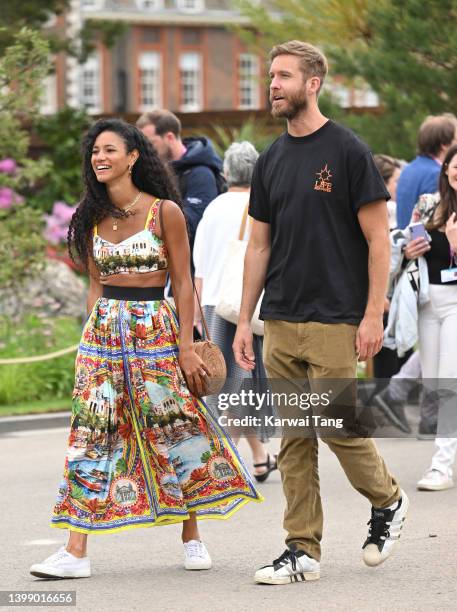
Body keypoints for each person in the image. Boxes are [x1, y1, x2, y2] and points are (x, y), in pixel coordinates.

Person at [29, 119, 262, 580]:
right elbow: (96, 285)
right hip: (103, 336)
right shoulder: (90, 215)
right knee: (90, 434)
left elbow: (182, 282)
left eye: (109, 150)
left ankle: (192, 536)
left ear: (132, 156)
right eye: (95, 151)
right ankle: (75, 551)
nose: (100, 158)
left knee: (175, 428)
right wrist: (87, 344)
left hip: (154, 329)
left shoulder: (165, 212)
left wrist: (187, 347)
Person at [233, 40, 408, 585]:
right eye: (270, 76)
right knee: (295, 438)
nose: (273, 85)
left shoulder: (349, 151)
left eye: (284, 75)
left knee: (337, 427)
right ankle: (300, 548)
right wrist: (244, 319)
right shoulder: (271, 160)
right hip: (281, 318)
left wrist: (373, 313)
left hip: (337, 317)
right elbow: (258, 245)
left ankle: (389, 500)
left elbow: (379, 241)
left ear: (313, 83)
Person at [193, 141, 277, 482]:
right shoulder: (260, 204)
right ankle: (228, 459)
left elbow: (199, 263)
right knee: (245, 382)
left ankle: (257, 457)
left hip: (214, 302)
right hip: (249, 306)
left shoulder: (213, 207)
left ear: (225, 173)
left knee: (230, 383)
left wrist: (196, 315)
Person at [408, 145, 457, 491]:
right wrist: (408, 247)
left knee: (448, 382)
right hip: (427, 302)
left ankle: (441, 465)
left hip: (456, 303)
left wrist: (455, 244)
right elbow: (404, 244)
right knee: (433, 383)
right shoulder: (428, 205)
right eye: (454, 166)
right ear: (446, 170)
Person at [136, 109, 224, 254]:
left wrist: (146, 216)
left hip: (193, 269)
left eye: (150, 144)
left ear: (169, 137)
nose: (145, 151)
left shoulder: (201, 173)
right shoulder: (157, 171)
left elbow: (194, 223)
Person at [370, 155, 412, 433]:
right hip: (383, 293)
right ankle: (382, 404)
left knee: (390, 349)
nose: (400, 184)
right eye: (396, 180)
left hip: (391, 292)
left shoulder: (390, 209)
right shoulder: (384, 210)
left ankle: (381, 407)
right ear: (384, 182)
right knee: (386, 349)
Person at [396, 114, 457, 229]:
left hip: (407, 241)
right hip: (426, 242)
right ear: (444, 144)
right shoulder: (436, 174)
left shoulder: (408, 169)